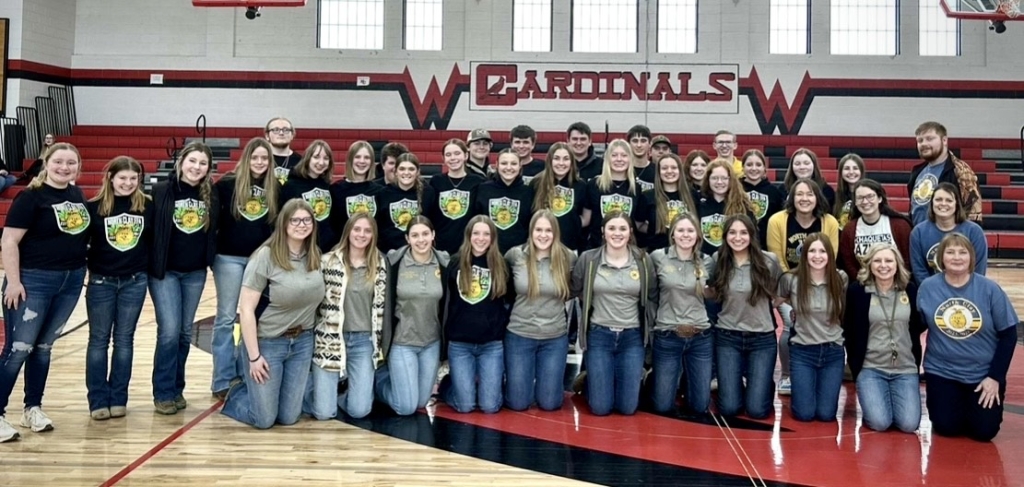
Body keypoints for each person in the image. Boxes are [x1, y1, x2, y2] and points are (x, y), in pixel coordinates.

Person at [0, 143, 89, 442]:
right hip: (33, 281)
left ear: (78, 167)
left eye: (71, 163)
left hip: (71, 280)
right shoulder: (31, 197)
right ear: (46, 163)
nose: (64, 167)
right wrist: (13, 282)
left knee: (43, 348)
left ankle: (32, 408)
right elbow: (9, 241)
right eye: (59, 162)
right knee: (18, 349)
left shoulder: (76, 195)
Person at [221, 200, 324, 429]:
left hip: (303, 342)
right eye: (295, 220)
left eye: (307, 220)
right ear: (284, 223)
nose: (301, 225)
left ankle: (268, 396)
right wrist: (254, 357)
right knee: (264, 420)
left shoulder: (315, 255)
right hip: (268, 343)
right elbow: (246, 310)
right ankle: (237, 393)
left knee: (288, 418)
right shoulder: (265, 257)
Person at [918, 233, 1018, 441]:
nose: (956, 257)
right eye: (950, 252)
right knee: (947, 428)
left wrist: (995, 377)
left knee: (984, 432)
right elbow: (914, 327)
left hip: (982, 375)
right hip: (942, 372)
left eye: (962, 252)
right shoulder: (928, 288)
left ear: (971, 257)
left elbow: (1008, 335)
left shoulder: (989, 289)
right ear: (941, 257)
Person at [149, 141, 219, 415]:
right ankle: (163, 392)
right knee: (168, 332)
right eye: (192, 161)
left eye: (203, 163)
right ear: (181, 162)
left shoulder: (211, 193)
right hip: (165, 272)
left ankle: (177, 389)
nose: (196, 167)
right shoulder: (161, 190)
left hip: (195, 272)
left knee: (183, 332)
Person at [210, 138, 280, 399]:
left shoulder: (275, 189)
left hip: (259, 260)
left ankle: (245, 372)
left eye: (265, 158)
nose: (260, 162)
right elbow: (215, 221)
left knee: (253, 317)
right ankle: (222, 380)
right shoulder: (227, 184)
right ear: (246, 158)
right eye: (255, 157)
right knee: (226, 318)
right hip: (228, 258)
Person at [84, 156, 153, 420]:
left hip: (134, 282)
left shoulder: (147, 206)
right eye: (122, 178)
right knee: (98, 341)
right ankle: (98, 399)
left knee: (124, 340)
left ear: (139, 180)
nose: (127, 183)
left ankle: (119, 397)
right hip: (101, 282)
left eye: (133, 178)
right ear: (110, 178)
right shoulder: (93, 208)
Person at [571, 211, 656, 416]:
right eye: (611, 228)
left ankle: (631, 375)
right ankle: (591, 377)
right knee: (600, 408)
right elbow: (575, 289)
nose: (617, 233)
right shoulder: (588, 259)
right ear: (603, 231)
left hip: (632, 336)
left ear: (630, 232)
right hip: (599, 335)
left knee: (627, 409)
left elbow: (652, 295)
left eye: (622, 229)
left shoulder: (643, 260)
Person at [308, 212, 388, 420]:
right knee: (324, 414)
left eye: (367, 231)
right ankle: (312, 390)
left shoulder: (380, 264)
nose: (361, 235)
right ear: (348, 232)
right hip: (331, 339)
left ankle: (344, 390)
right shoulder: (327, 262)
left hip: (363, 342)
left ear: (373, 235)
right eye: (357, 229)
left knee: (359, 411)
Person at [766, 178, 840, 395]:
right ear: (791, 197)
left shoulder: (830, 222)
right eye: (799, 194)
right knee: (790, 323)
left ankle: (817, 372)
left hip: (821, 283)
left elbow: (830, 257)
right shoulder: (778, 220)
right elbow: (776, 259)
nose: (804, 198)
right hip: (787, 285)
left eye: (809, 194)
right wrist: (794, 290)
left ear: (817, 198)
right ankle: (787, 375)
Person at [844, 243, 924, 433]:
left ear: (897, 264)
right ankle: (874, 402)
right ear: (869, 264)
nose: (883, 265)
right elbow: (850, 331)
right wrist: (857, 368)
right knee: (880, 423)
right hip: (871, 368)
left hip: (905, 368)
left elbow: (917, 326)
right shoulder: (858, 291)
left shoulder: (910, 290)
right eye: (877, 261)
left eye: (888, 260)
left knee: (908, 425)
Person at [709, 215, 782, 419]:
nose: (738, 237)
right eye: (732, 232)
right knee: (730, 408)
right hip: (727, 337)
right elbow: (713, 292)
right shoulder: (718, 259)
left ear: (751, 235)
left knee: (757, 410)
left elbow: (777, 292)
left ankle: (763, 384)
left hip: (762, 338)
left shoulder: (769, 261)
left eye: (743, 232)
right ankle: (733, 384)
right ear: (725, 236)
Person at [376, 216, 450, 415]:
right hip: (402, 342)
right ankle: (377, 382)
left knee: (421, 402)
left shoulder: (444, 262)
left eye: (425, 234)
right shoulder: (393, 262)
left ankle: (399, 384)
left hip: (431, 343)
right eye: (415, 235)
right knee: (406, 407)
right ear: (407, 238)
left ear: (433, 235)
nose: (421, 240)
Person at [504, 210, 576, 411]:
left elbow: (574, 289)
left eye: (548, 230)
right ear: (531, 231)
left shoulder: (568, 257)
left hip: (554, 338)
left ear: (555, 233)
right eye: (538, 230)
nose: (543, 235)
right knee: (518, 403)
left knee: (550, 403)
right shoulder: (515, 255)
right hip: (520, 334)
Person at [441, 216, 510, 413]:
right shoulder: (455, 263)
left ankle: (489, 385)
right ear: (468, 236)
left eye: (486, 234)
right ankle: (448, 383)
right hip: (460, 345)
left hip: (491, 345)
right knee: (465, 406)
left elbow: (509, 300)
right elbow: (447, 301)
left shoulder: (501, 265)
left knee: (489, 406)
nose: (481, 238)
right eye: (476, 233)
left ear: (493, 237)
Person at [777, 233, 848, 422]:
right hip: (802, 351)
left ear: (830, 255)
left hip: (832, 351)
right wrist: (790, 317)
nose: (817, 256)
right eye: (812, 251)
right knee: (804, 414)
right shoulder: (791, 279)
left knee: (826, 415)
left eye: (822, 251)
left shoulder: (840, 278)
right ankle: (802, 391)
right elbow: (775, 300)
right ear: (804, 254)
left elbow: (845, 309)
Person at [649, 213, 714, 415]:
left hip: (700, 336)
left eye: (690, 230)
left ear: (698, 235)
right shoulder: (658, 257)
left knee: (700, 406)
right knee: (662, 406)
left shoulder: (708, 261)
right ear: (673, 234)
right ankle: (649, 378)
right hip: (668, 335)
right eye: (681, 230)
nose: (685, 235)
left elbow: (712, 295)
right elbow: (651, 295)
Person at [910, 182, 987, 286]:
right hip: (932, 292)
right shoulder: (918, 232)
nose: (943, 203)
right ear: (932, 203)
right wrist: (933, 291)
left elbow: (978, 269)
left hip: (967, 291)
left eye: (949, 200)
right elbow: (919, 271)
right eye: (938, 200)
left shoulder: (974, 232)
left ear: (957, 204)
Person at [908, 121, 982, 225]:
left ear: (944, 140)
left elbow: (974, 214)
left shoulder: (962, 172)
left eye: (929, 139)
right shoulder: (918, 171)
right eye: (920, 140)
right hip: (918, 236)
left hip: (947, 238)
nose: (924, 144)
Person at [838, 179, 912, 279]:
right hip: (863, 285)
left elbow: (907, 260)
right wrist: (863, 281)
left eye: (870, 196)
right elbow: (848, 263)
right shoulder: (849, 230)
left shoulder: (900, 226)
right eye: (860, 198)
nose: (865, 201)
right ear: (855, 202)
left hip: (896, 283)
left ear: (880, 198)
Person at [581, 139, 648, 250]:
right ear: (607, 159)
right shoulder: (594, 185)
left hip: (626, 249)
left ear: (630, 159)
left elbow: (638, 223)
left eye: (624, 155)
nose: (619, 159)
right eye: (614, 155)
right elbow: (586, 219)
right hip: (597, 247)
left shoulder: (636, 187)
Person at [473, 149, 535, 253]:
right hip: (489, 252)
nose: (509, 167)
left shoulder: (528, 192)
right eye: (504, 163)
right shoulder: (483, 189)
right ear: (496, 165)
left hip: (518, 254)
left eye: (514, 163)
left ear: (520, 165)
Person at [431, 139, 486, 254]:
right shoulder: (436, 181)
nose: (453, 158)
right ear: (443, 158)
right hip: (441, 244)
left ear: (466, 155)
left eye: (457, 153)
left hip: (468, 245)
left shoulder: (478, 182)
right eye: (448, 155)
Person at [281, 139, 337, 251]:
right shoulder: (291, 184)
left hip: (326, 247)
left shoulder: (326, 185)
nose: (321, 162)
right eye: (316, 157)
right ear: (308, 158)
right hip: (301, 248)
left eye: (326, 158)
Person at [531, 142, 587, 251]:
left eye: (566, 159)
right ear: (549, 161)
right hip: (541, 246)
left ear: (571, 162)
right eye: (556, 158)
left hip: (570, 247)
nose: (561, 163)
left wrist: (572, 224)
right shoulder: (536, 183)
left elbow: (586, 218)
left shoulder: (580, 185)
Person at [376, 153, 436, 252]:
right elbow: (380, 227)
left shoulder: (428, 193)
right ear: (395, 171)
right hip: (390, 253)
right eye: (402, 169)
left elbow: (433, 224)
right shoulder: (383, 193)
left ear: (418, 172)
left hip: (419, 252)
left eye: (411, 169)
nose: (406, 172)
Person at [697, 159, 754, 256]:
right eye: (714, 178)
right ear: (708, 180)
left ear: (731, 180)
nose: (719, 182)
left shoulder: (743, 206)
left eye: (724, 178)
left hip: (731, 260)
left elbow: (751, 237)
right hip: (704, 261)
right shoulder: (698, 203)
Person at [331, 141, 384, 243]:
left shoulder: (379, 191)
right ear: (350, 159)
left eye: (367, 158)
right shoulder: (336, 189)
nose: (362, 161)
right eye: (357, 157)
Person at [643, 153, 697, 251]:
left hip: (687, 252)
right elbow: (639, 225)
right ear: (658, 172)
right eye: (664, 168)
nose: (669, 171)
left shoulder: (693, 195)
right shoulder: (647, 196)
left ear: (680, 170)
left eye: (674, 167)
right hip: (657, 254)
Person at [740, 149, 786, 250]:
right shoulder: (735, 189)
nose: (754, 168)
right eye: (749, 164)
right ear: (742, 168)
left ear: (764, 168)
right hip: (739, 243)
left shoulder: (774, 192)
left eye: (758, 165)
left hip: (766, 247)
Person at [265, 117, 301, 184]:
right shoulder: (258, 160)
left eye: (286, 130)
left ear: (292, 135)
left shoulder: (301, 162)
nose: (281, 133)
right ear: (267, 136)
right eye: (276, 130)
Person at [834, 154, 865, 228]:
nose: (851, 172)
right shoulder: (834, 196)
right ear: (841, 172)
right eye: (847, 168)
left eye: (855, 168)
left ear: (861, 171)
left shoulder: (869, 195)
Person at [627, 124, 655, 191]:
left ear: (650, 144)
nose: (639, 145)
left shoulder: (658, 171)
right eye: (635, 141)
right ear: (628, 144)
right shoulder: (621, 170)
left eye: (643, 141)